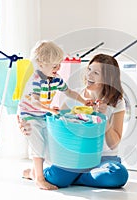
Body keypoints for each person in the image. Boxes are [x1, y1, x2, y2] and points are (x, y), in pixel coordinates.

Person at [20, 53, 128, 189]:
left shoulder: (116, 102)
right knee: (58, 177)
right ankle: (37, 173)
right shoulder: (73, 97)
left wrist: (103, 118)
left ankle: (73, 178)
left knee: (117, 175)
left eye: (96, 73)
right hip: (76, 159)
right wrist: (30, 127)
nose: (89, 75)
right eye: (89, 69)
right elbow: (57, 131)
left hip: (103, 160)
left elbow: (113, 145)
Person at [19, 40, 89, 190]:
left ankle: (32, 172)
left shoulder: (56, 79)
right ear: (41, 64)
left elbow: (69, 92)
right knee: (37, 144)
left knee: (47, 144)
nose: (58, 68)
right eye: (54, 65)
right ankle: (39, 178)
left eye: (59, 64)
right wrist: (50, 110)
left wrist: (84, 101)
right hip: (29, 114)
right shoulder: (35, 80)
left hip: (42, 114)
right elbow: (36, 102)